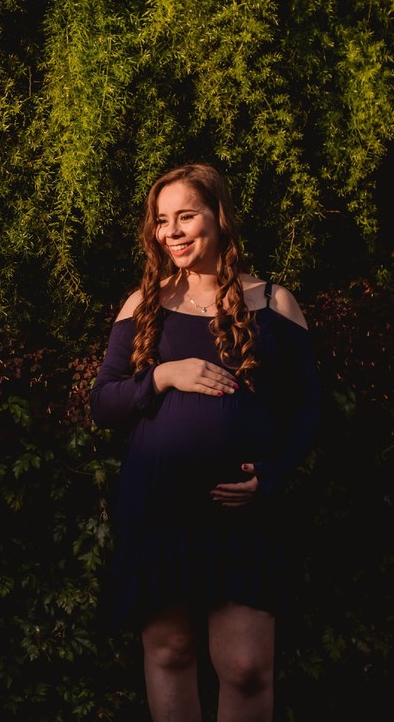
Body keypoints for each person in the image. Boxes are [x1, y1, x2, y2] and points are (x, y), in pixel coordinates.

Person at [89, 163, 320, 721]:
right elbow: (103, 404)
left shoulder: (273, 303)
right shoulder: (143, 304)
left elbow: (308, 409)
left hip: (240, 511)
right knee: (170, 651)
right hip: (158, 504)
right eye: (162, 221)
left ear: (218, 217)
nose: (171, 232)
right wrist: (165, 375)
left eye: (185, 216)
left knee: (244, 666)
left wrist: (272, 475)